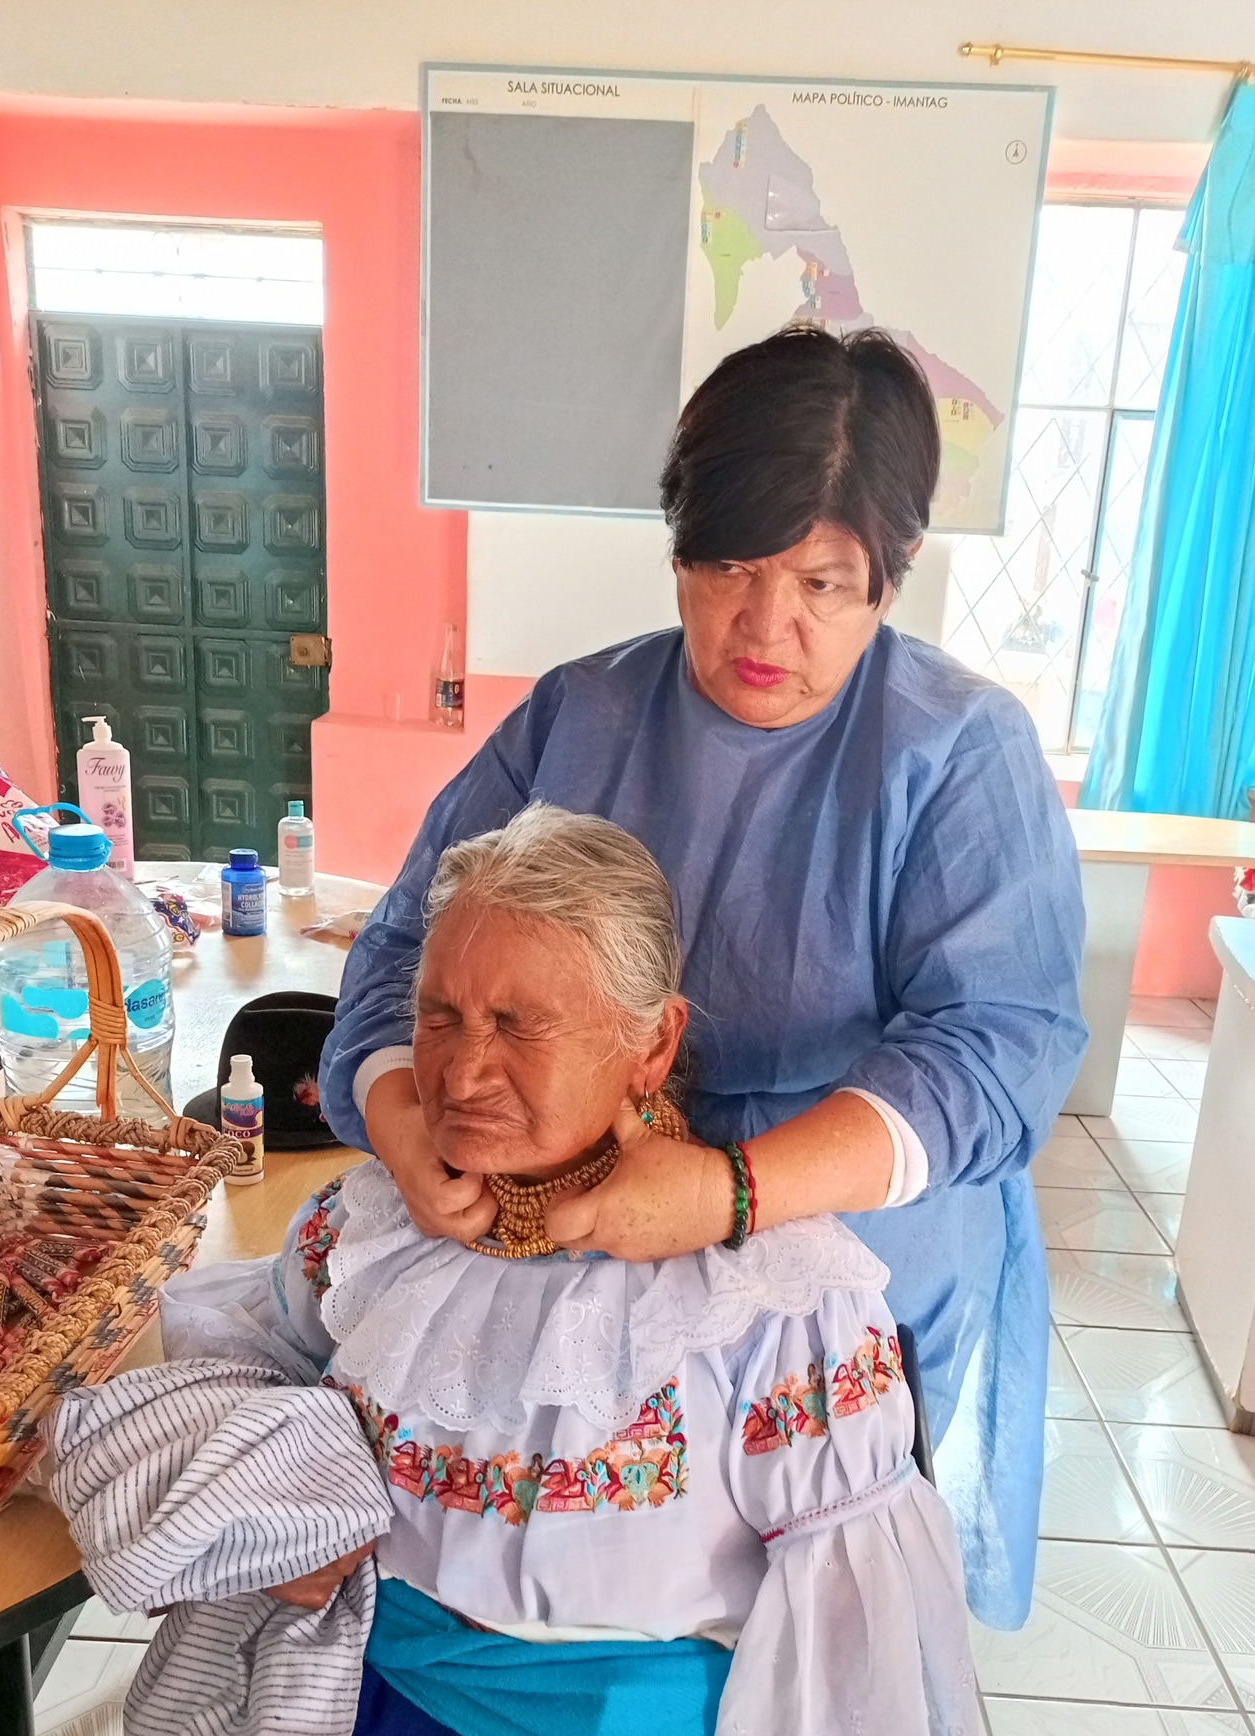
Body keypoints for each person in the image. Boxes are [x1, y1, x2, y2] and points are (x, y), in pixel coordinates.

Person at [83, 804, 981, 1736]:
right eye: (440, 1014)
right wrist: (277, 1510)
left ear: (653, 1045)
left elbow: (835, 1631)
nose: (460, 1069)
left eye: (518, 1023)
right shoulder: (373, 1227)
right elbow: (247, 1359)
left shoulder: (781, 1302)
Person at [322, 325, 1088, 1638]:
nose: (765, 626)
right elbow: (409, 946)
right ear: (677, 548)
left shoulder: (959, 752)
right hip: (577, 1238)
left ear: (893, 576)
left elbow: (995, 1049)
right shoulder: (580, 717)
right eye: (728, 567)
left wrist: (730, 1192)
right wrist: (399, 1119)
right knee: (583, 1590)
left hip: (847, 1254)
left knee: (806, 1614)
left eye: (823, 584)